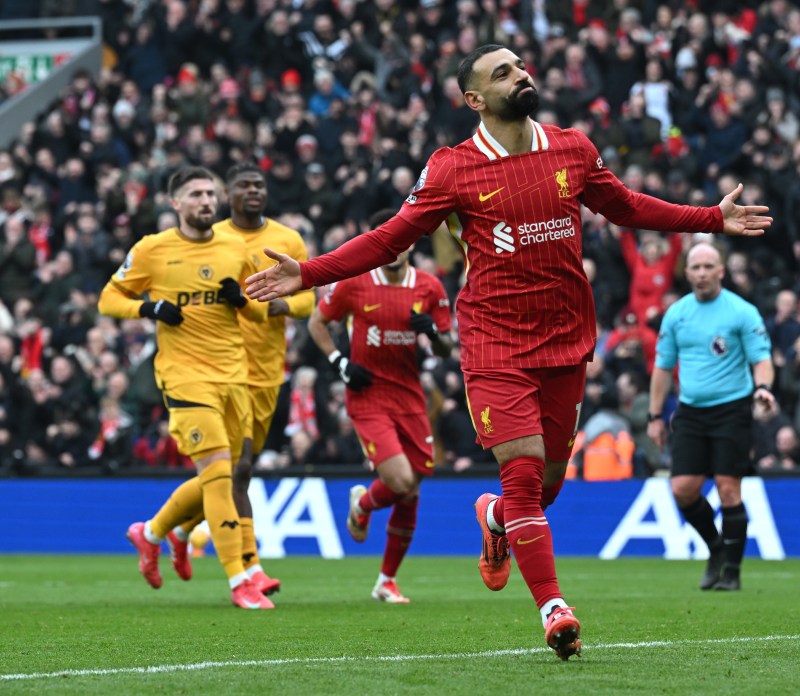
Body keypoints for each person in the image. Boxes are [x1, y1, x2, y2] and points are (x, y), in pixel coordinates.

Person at [245, 44, 771, 658]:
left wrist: (710, 218)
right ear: (473, 100)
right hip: (494, 341)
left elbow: (625, 206)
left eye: (520, 65)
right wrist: (309, 274)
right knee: (523, 476)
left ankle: (496, 520)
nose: (521, 75)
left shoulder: (572, 147)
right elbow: (390, 237)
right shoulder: (452, 168)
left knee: (543, 491)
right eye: (503, 73)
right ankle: (554, 607)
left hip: (566, 340)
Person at [98, 166, 274, 609]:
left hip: (235, 378)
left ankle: (155, 532)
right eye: (195, 194)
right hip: (184, 377)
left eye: (210, 194)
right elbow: (109, 298)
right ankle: (240, 581)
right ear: (175, 203)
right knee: (218, 474)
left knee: (225, 476)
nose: (205, 200)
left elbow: (260, 310)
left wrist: (242, 301)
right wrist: (149, 307)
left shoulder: (235, 248)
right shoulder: (153, 250)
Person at [166, 162, 316, 598]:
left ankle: (175, 530)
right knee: (240, 467)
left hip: (267, 372)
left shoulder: (287, 239)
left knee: (235, 472)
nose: (253, 190)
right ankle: (249, 567)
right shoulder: (214, 241)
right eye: (243, 185)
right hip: (220, 369)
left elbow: (309, 296)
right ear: (226, 195)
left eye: (259, 184)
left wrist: (281, 306)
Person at [307, 208, 453, 604]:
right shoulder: (354, 283)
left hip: (409, 395)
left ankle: (385, 579)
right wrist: (340, 364)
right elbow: (316, 323)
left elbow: (447, 345)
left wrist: (434, 337)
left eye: (403, 240)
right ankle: (365, 504)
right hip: (368, 396)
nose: (395, 248)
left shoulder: (429, 287)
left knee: (415, 485)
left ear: (411, 243)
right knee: (403, 481)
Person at [647, 243, 775, 592]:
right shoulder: (676, 314)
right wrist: (655, 415)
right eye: (695, 267)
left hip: (732, 409)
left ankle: (732, 573)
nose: (702, 273)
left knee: (728, 489)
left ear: (721, 270)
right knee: (682, 490)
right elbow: (662, 367)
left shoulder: (741, 311)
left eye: (708, 266)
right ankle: (716, 549)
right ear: (687, 273)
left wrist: (763, 387)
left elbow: (762, 358)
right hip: (690, 411)